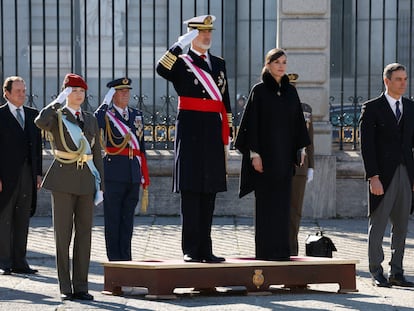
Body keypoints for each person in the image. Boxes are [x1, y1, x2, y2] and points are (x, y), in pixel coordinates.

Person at [156, 15, 232, 263]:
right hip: (189, 129)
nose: (207, 36)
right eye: (201, 33)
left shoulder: (219, 63)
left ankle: (206, 249)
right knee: (191, 190)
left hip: (212, 130)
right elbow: (160, 68)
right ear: (192, 35)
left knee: (209, 191)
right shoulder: (181, 62)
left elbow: (225, 101)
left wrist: (227, 135)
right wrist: (179, 45)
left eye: (209, 32)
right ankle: (190, 249)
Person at [235, 48, 310, 261]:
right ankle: (266, 253)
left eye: (284, 62)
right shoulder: (259, 91)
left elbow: (298, 124)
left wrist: (301, 149)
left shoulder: (290, 92)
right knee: (267, 207)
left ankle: (281, 252)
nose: (281, 66)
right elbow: (251, 125)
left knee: (283, 206)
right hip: (265, 160)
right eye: (277, 62)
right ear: (268, 64)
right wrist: (254, 154)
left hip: (284, 159)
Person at [35, 73, 104, 301]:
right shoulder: (57, 115)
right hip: (63, 179)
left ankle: (81, 285)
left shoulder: (91, 119)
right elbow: (39, 122)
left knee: (84, 234)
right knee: (63, 235)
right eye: (73, 90)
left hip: (86, 179)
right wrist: (56, 101)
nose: (78, 95)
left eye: (81, 91)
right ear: (66, 93)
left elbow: (96, 154)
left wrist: (100, 184)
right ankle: (66, 286)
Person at [360, 63, 414, 288]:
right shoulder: (372, 108)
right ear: (387, 81)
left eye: (405, 79)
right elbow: (367, 146)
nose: (403, 83)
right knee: (379, 224)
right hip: (382, 175)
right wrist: (373, 176)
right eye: (399, 79)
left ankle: (397, 272)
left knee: (402, 226)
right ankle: (376, 271)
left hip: (406, 175)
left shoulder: (411, 107)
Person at [94, 77, 149, 261]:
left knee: (127, 222)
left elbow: (141, 148)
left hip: (133, 173)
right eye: (120, 91)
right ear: (113, 94)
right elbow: (95, 123)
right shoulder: (107, 115)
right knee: (113, 220)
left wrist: (143, 174)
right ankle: (115, 261)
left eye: (127, 91)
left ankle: (126, 259)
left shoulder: (137, 114)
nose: (126, 94)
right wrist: (105, 102)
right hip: (113, 173)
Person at [0, 76, 42, 275]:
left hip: (27, 174)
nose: (22, 94)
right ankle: (4, 261)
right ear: (6, 93)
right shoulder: (0, 115)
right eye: (17, 91)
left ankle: (20, 261)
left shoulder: (32, 115)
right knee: (4, 218)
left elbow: (37, 148)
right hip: (6, 175)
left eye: (23, 91)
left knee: (22, 217)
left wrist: (38, 174)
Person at [287, 73, 315, 256]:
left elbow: (309, 140)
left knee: (295, 212)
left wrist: (311, 166)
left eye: (294, 87)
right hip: (278, 166)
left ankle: (292, 251)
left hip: (299, 167)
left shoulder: (305, 110)